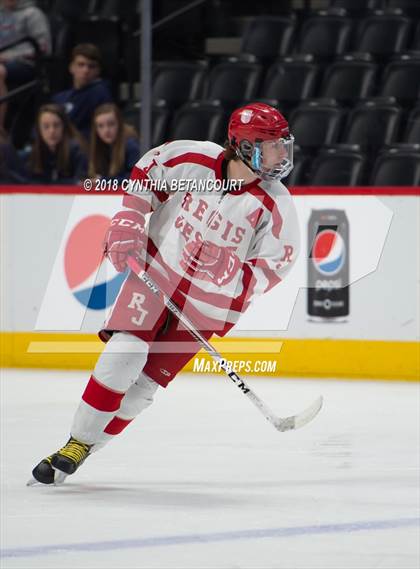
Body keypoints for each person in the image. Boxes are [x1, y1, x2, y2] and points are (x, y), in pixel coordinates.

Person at [30, 102, 299, 485]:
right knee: (125, 353)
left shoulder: (275, 206)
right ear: (242, 146)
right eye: (270, 145)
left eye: (282, 145)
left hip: (204, 310)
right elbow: (147, 173)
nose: (280, 155)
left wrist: (230, 283)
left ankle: (83, 449)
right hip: (153, 276)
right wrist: (129, 218)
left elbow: (274, 265)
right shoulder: (195, 160)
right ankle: (75, 443)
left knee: (141, 391)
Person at [0, 0, 51, 132]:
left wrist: (9, 57)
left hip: (26, 64)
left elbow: (44, 48)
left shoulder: (33, 14)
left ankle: (0, 129)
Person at [52, 44, 113, 140]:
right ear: (71, 67)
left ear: (98, 70)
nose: (86, 70)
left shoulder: (101, 93)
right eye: (81, 65)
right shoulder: (59, 98)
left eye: (91, 66)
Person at [26, 103, 87, 184]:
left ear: (64, 127)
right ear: (39, 130)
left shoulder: (77, 151)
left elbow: (81, 182)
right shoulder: (33, 153)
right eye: (46, 126)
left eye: (56, 125)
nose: (52, 131)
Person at [88, 103, 140, 182]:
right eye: (100, 126)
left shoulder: (131, 146)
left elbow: (135, 178)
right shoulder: (99, 146)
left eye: (111, 124)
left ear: (120, 124)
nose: (106, 130)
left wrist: (103, 181)